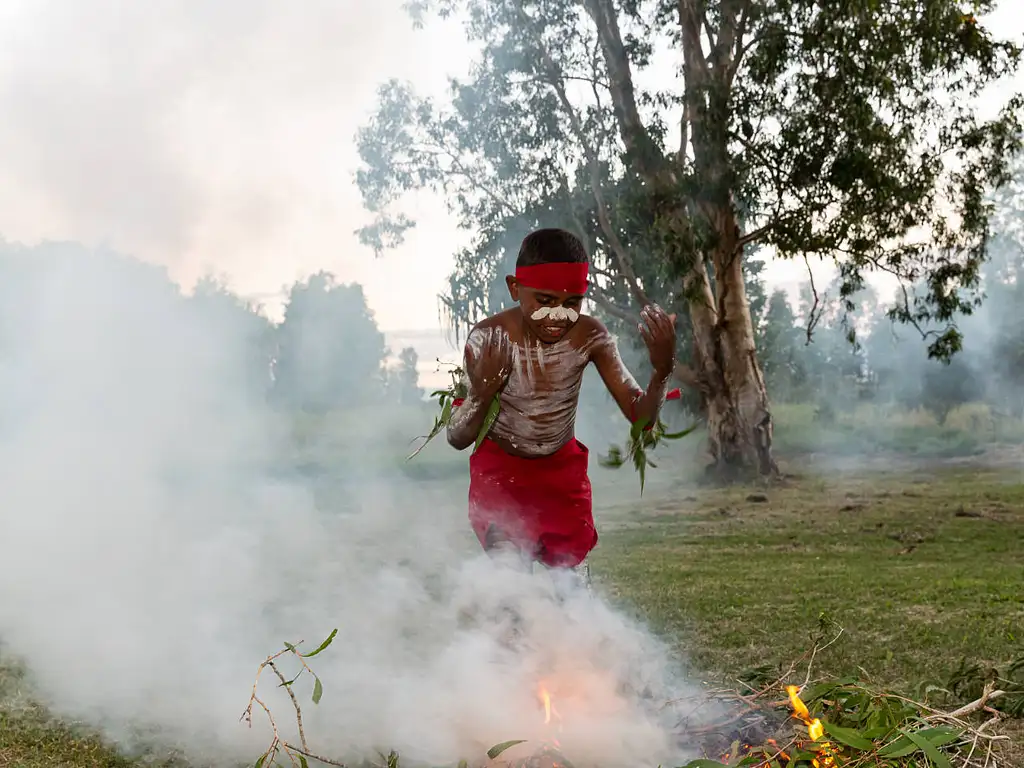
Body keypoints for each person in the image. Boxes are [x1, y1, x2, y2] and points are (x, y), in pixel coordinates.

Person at [446, 228, 678, 588]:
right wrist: (482, 394)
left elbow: (640, 417)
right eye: (544, 300)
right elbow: (456, 436)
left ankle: (575, 641)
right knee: (510, 586)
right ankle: (507, 641)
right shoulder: (487, 338)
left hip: (561, 475)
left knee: (568, 592)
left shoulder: (591, 336)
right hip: (501, 474)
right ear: (514, 288)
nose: (558, 316)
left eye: (572, 303)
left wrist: (662, 371)